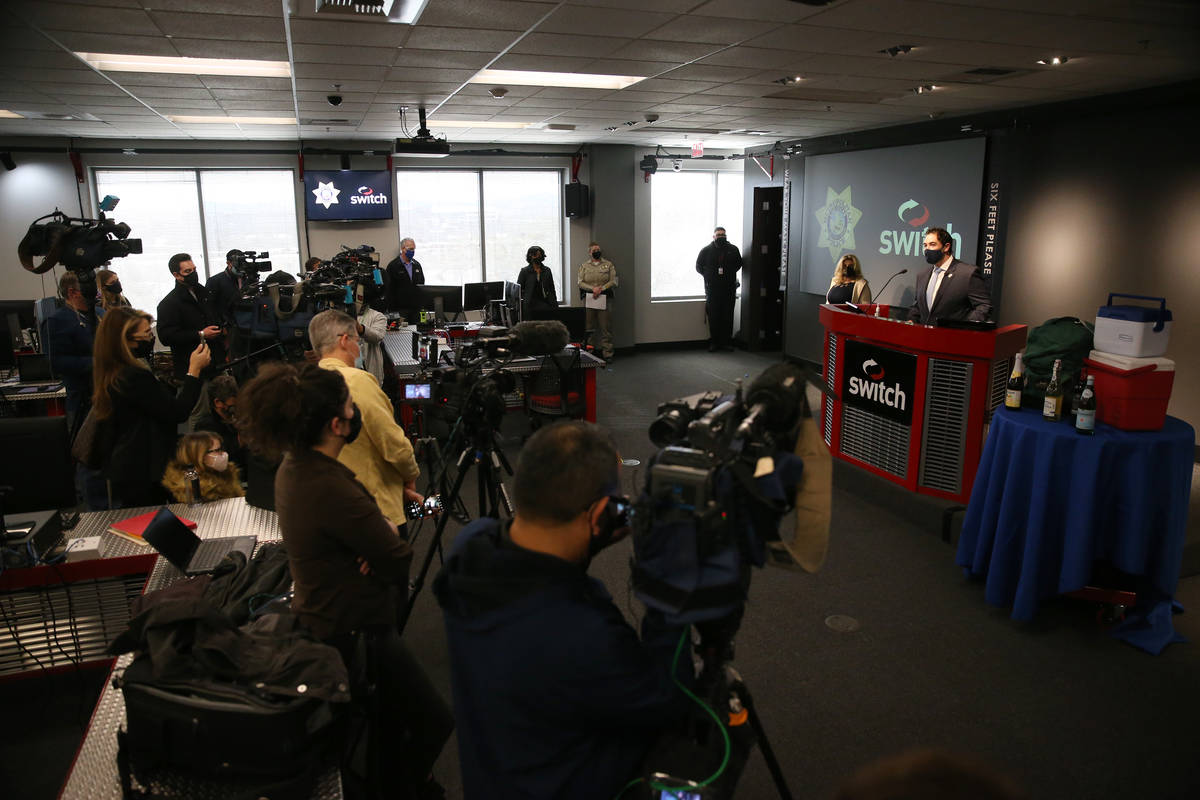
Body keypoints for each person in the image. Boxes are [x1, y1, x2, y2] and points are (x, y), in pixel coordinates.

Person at [434, 420, 691, 799]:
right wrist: (667, 589)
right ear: (602, 511)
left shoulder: (470, 547)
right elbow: (669, 700)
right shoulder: (583, 632)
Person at [236, 362, 452, 797]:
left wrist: (374, 534)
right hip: (355, 630)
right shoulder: (328, 485)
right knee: (433, 721)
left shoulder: (297, 466)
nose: (355, 413)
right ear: (337, 424)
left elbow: (362, 535)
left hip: (333, 618)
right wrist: (384, 532)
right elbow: (395, 556)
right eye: (351, 407)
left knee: (388, 724)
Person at [311, 309, 422, 529]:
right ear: (344, 340)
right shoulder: (358, 381)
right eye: (356, 340)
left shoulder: (306, 381)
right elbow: (393, 443)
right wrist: (410, 475)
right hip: (376, 510)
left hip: (330, 509)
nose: (357, 347)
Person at [92, 307, 210, 507]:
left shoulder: (111, 373)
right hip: (143, 469)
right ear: (126, 340)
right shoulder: (134, 376)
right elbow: (177, 412)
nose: (150, 339)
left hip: (129, 466)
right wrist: (194, 371)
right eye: (146, 334)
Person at [156, 253, 227, 427]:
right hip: (193, 368)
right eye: (188, 271)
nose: (193, 273)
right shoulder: (169, 303)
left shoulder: (204, 293)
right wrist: (200, 334)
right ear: (176, 274)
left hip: (216, 363)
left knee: (224, 409)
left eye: (194, 269)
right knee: (199, 414)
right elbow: (166, 336)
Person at [907, 227, 992, 325]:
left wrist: (964, 326)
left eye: (932, 244)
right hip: (924, 336)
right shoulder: (922, 275)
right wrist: (911, 320)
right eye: (925, 245)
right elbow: (917, 306)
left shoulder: (967, 273)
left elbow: (984, 306)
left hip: (953, 337)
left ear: (946, 247)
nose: (927, 249)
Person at [45, 271, 96, 430]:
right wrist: (98, 362)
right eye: (88, 288)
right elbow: (57, 362)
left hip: (108, 396)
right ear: (72, 292)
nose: (95, 292)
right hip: (82, 400)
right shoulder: (58, 321)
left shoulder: (99, 314)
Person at [161, 431, 244, 503]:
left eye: (221, 449)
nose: (223, 454)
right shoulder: (191, 489)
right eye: (217, 451)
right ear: (199, 456)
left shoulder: (226, 474)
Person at [695, 226, 742, 351]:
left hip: (728, 289)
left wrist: (728, 274)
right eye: (719, 234)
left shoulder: (733, 249)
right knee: (714, 316)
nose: (721, 236)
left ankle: (726, 342)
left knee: (727, 316)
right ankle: (714, 342)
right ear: (713, 236)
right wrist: (709, 276)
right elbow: (698, 266)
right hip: (712, 290)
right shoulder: (706, 250)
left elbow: (738, 264)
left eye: (723, 234)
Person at [194, 373, 247, 470]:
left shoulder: (235, 417)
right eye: (232, 405)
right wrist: (240, 441)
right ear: (217, 402)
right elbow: (216, 461)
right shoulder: (205, 427)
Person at [577, 241, 617, 360]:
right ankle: (589, 354)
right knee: (589, 328)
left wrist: (601, 289)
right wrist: (593, 289)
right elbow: (580, 282)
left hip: (604, 298)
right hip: (590, 299)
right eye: (594, 250)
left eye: (598, 249)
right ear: (590, 253)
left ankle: (607, 354)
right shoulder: (584, 266)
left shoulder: (608, 265)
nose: (597, 252)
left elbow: (613, 281)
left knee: (606, 328)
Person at [384, 237, 425, 321]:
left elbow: (422, 285)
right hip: (400, 310)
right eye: (410, 249)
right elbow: (389, 290)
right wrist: (392, 311)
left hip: (416, 310)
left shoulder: (417, 265)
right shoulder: (393, 266)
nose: (413, 251)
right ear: (403, 249)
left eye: (414, 249)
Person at [206, 248, 247, 329]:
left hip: (245, 322)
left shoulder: (246, 278)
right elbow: (210, 308)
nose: (240, 267)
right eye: (237, 264)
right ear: (228, 263)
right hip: (227, 326)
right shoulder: (215, 281)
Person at [517, 244, 558, 320]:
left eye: (540, 255)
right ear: (530, 256)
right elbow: (518, 290)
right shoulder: (524, 271)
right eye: (535, 255)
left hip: (546, 302)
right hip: (530, 304)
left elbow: (552, 287)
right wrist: (525, 300)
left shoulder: (547, 270)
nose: (538, 257)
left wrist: (554, 302)